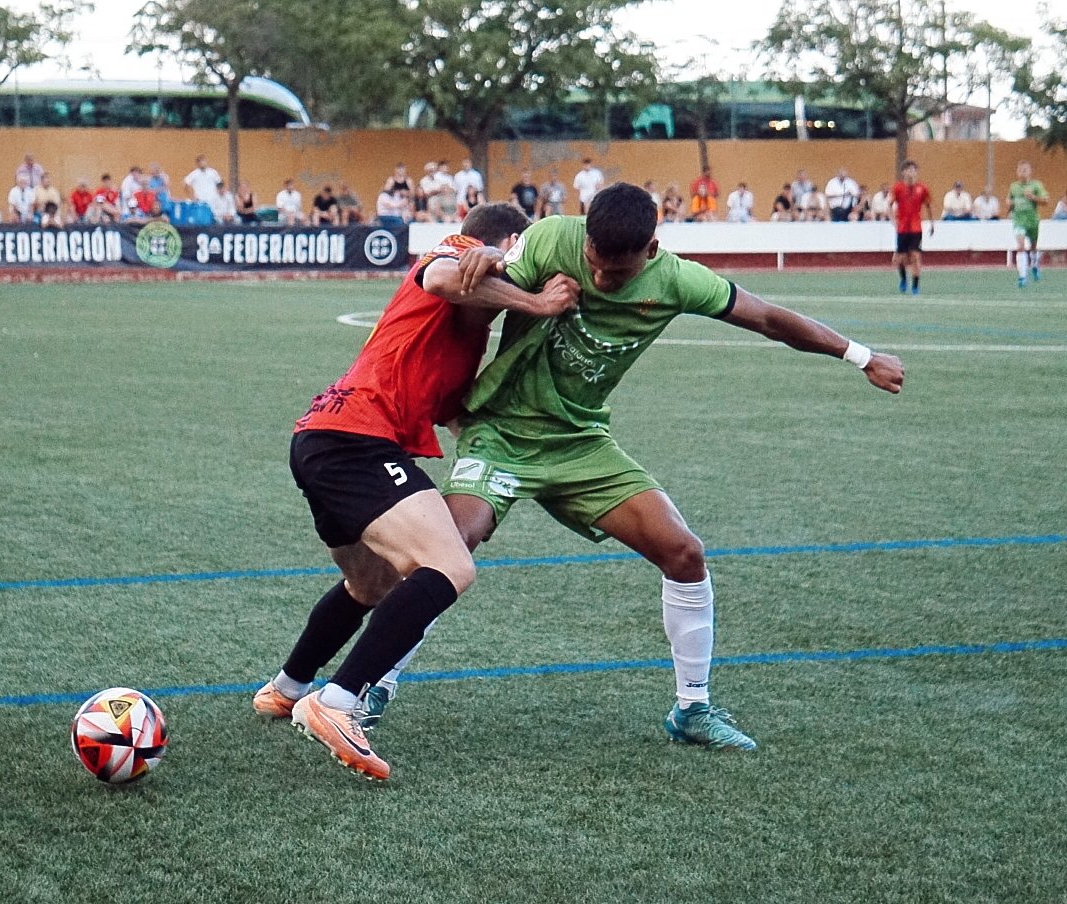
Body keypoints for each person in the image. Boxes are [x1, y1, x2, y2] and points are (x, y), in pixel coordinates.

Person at [320, 183, 905, 773]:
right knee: (445, 549)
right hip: (501, 433)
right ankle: (373, 685)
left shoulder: (680, 280)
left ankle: (693, 707)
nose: (599, 280)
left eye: (615, 274)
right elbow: (476, 289)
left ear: (652, 247)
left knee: (683, 552)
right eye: (593, 264)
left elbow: (769, 318)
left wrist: (859, 355)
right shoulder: (552, 238)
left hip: (581, 443)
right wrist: (491, 263)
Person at [252, 203, 580, 781]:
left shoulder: (463, 336)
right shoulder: (454, 252)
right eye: (521, 255)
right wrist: (538, 302)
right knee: (450, 565)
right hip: (354, 439)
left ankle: (285, 689)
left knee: (370, 582)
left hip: (323, 438)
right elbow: (445, 275)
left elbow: (454, 413)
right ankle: (337, 703)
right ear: (507, 241)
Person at [889, 160, 935, 296]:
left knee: (915, 256)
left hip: (916, 228)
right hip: (902, 228)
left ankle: (915, 286)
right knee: (900, 259)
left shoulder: (922, 188)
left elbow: (929, 205)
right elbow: (889, 204)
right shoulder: (898, 188)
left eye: (914, 170)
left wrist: (932, 223)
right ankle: (903, 278)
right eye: (909, 170)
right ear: (903, 172)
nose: (911, 172)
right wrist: (893, 219)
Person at [1008, 161, 1050, 288]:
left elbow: (1046, 200)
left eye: (1025, 170)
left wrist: (1033, 197)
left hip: (1032, 220)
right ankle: (1022, 277)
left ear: (1030, 172)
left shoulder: (1036, 185)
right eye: (1020, 170)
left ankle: (1035, 265)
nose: (1022, 173)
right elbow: (1010, 199)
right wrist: (1009, 204)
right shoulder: (1014, 186)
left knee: (1033, 246)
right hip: (1019, 220)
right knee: (1020, 246)